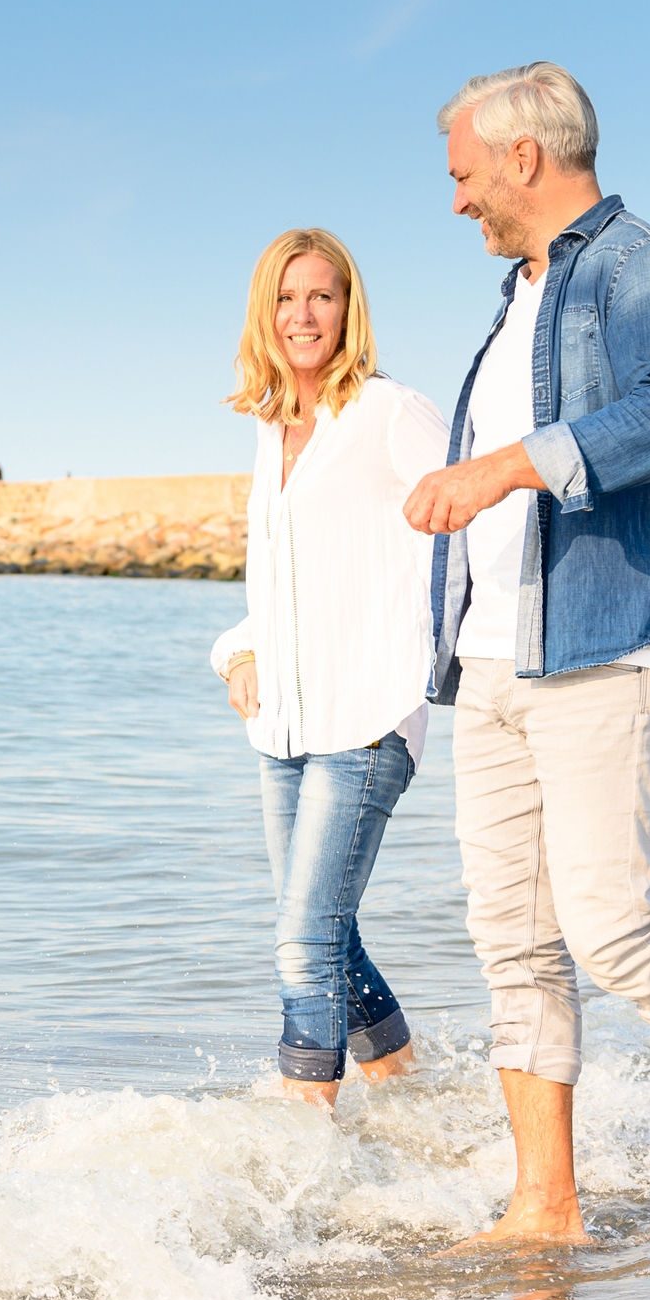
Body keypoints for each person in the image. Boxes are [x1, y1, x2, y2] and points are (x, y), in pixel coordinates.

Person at [403, 61, 650, 1237]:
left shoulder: (639, 268)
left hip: (604, 639)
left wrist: (501, 466)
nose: (456, 199)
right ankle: (546, 1200)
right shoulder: (516, 298)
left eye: (464, 174)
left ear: (522, 157)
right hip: (491, 660)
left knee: (609, 923)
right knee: (513, 944)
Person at [210, 229, 448, 1110]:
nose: (303, 315)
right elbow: (284, 583)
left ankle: (304, 1145)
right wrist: (239, 650)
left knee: (302, 942)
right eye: (285, 298)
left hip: (369, 716)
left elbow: (469, 537)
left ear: (349, 309)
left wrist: (438, 665)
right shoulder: (271, 427)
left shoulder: (391, 413)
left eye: (322, 296)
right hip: (282, 727)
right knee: (326, 934)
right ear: (263, 314)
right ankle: (412, 1098)